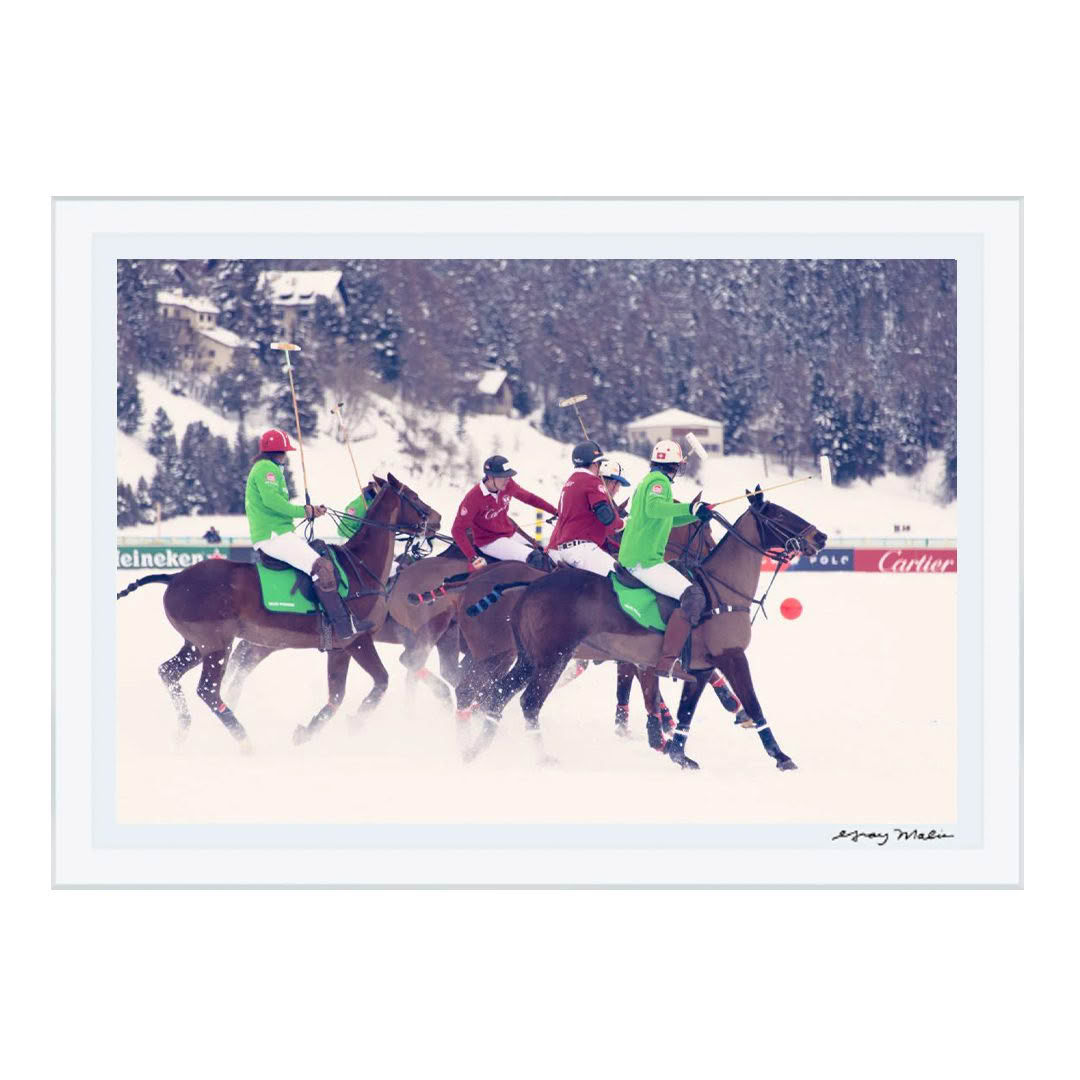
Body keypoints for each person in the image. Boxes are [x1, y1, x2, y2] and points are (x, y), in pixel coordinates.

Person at [617, 439, 715, 678]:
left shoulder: (650, 480)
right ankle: (668, 662)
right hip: (644, 561)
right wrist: (690, 509)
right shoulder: (658, 482)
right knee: (693, 595)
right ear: (674, 466)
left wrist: (696, 516)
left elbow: (666, 518)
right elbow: (655, 508)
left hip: (640, 558)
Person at [244, 428, 351, 643]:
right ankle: (341, 625)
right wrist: (305, 511)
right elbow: (273, 502)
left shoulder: (266, 467)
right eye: (284, 452)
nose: (285, 456)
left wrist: (310, 510)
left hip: (279, 533)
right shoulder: (266, 469)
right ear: (278, 452)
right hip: (273, 535)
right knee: (322, 567)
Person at [452, 454, 559, 572]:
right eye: (503, 477)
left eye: (508, 476)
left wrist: (555, 511)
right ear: (490, 477)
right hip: (490, 542)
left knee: (544, 555)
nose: (507, 480)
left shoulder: (508, 485)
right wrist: (473, 557)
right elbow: (457, 530)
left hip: (510, 533)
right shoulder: (473, 498)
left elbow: (529, 498)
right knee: (536, 559)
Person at [546, 441, 623, 577]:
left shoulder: (571, 481)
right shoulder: (592, 481)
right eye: (599, 464)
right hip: (581, 548)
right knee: (620, 577)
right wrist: (622, 524)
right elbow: (605, 516)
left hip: (564, 548)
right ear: (594, 464)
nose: (599, 469)